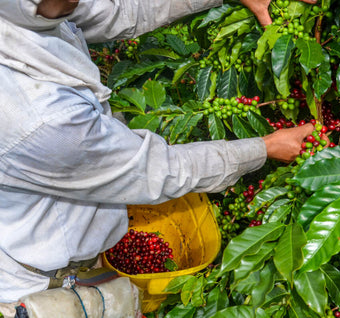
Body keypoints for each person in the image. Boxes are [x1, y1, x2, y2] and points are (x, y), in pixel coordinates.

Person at [0, 0, 317, 309]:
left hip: (71, 252)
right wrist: (266, 147)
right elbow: (160, 169)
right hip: (42, 288)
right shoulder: (38, 121)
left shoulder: (28, 8)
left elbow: (122, 11)